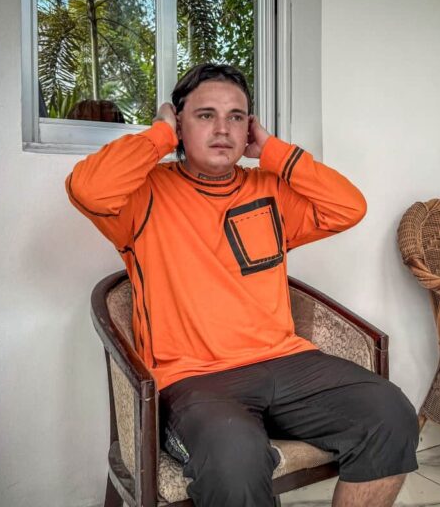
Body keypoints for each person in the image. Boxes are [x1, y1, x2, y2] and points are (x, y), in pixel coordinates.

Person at [67, 63, 418, 507]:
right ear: (179, 124)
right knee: (235, 458)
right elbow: (88, 188)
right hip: (193, 378)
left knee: (391, 414)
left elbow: (349, 207)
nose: (222, 129)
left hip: (288, 362)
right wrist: (158, 135)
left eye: (236, 117)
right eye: (205, 115)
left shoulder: (269, 189)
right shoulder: (142, 197)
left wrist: (271, 149)